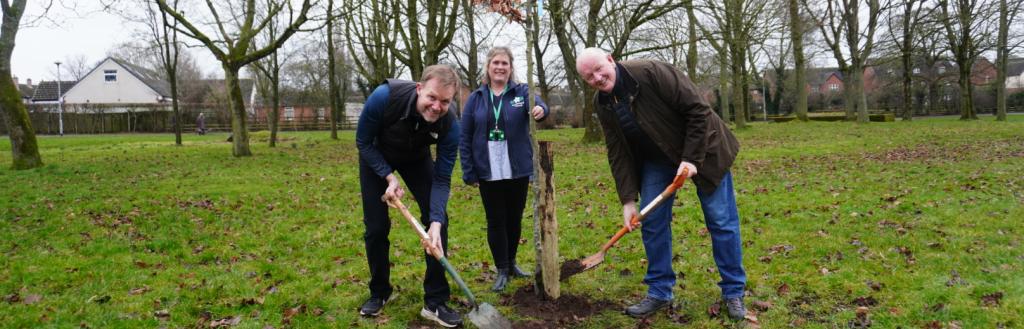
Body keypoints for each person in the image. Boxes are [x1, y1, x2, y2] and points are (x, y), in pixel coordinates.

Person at [574, 48, 747, 320]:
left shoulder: (651, 72)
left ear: (610, 59)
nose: (597, 78)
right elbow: (617, 150)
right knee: (652, 222)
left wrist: (691, 159)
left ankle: (733, 291)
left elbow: (699, 111)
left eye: (598, 69)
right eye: (589, 76)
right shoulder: (602, 103)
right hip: (658, 158)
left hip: (704, 148)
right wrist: (628, 200)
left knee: (721, 221)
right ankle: (659, 291)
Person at [355, 64, 463, 328]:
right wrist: (388, 176)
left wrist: (435, 221)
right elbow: (363, 141)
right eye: (432, 97)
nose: (437, 106)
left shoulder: (450, 124)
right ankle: (380, 292)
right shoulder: (384, 97)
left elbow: (442, 178)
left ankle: (435, 301)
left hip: (416, 158)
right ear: (419, 89)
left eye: (445, 101)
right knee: (376, 227)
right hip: (376, 155)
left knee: (439, 223)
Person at [459, 47, 549, 292]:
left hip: (516, 166)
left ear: (511, 67)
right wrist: (469, 170)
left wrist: (541, 110)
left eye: (504, 63)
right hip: (487, 166)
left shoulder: (521, 92)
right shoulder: (476, 98)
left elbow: (540, 106)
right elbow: (464, 136)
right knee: (496, 219)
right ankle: (501, 269)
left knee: (514, 217)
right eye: (496, 63)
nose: (500, 67)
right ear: (488, 67)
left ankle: (512, 263)